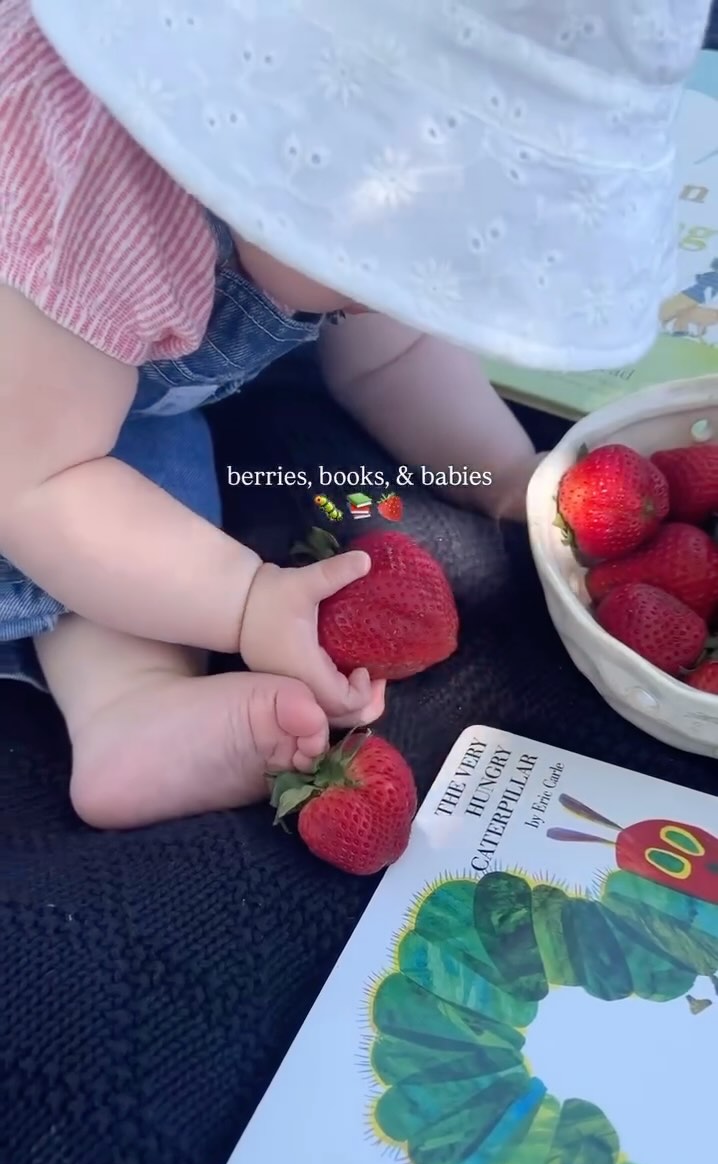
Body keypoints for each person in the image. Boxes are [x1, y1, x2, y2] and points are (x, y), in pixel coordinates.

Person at [0, 0, 710, 829]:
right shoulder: (95, 212)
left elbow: (395, 355)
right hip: (26, 409)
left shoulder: (339, 198)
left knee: (148, 456)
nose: (405, 295)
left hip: (89, 394)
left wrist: (510, 477)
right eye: (396, 262)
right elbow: (37, 481)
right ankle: (126, 703)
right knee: (119, 493)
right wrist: (246, 600)